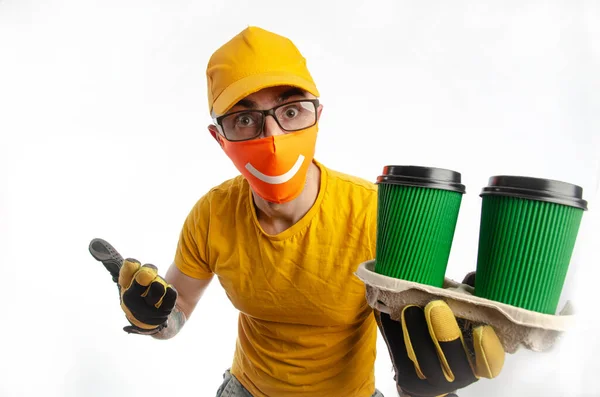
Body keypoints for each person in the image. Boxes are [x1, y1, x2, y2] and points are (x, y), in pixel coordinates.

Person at [93, 26, 505, 397]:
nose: (272, 137)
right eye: (245, 119)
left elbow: (416, 332)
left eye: (290, 111)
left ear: (317, 117)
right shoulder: (213, 215)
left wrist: (433, 381)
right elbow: (176, 310)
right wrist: (151, 319)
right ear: (220, 138)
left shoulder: (373, 214)